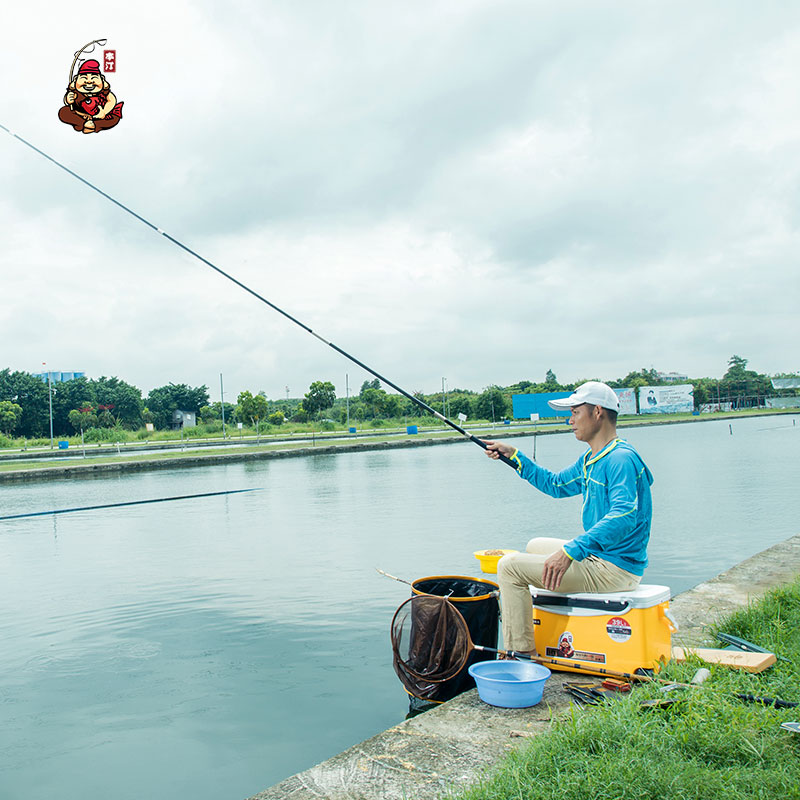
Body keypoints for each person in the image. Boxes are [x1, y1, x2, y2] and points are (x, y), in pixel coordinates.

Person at [484, 381, 653, 657]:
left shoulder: (620, 459)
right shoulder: (593, 458)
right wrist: (514, 456)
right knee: (536, 544)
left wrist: (571, 550)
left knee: (509, 567)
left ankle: (520, 654)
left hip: (614, 570)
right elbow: (555, 485)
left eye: (575, 412)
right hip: (600, 557)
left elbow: (623, 516)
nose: (570, 420)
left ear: (598, 412)